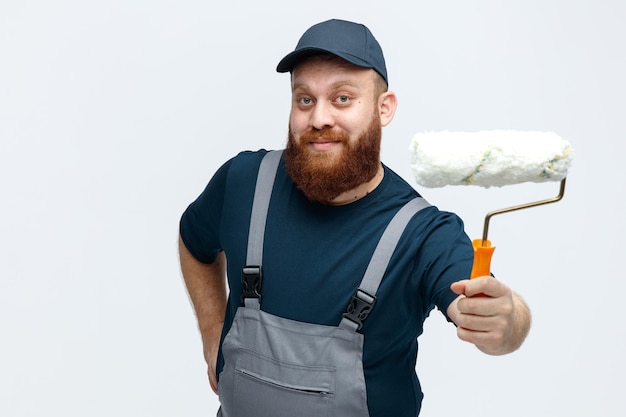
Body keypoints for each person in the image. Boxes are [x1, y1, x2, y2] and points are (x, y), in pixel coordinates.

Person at [178, 18, 531, 417]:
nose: (319, 118)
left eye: (342, 98)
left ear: (384, 108)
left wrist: (506, 319)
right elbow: (194, 242)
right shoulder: (243, 182)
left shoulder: (421, 233)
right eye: (305, 99)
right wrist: (211, 334)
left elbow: (502, 319)